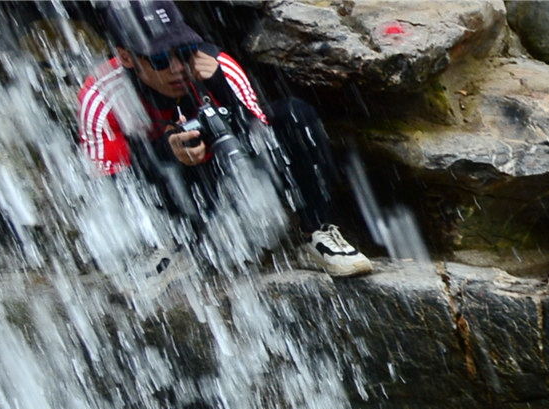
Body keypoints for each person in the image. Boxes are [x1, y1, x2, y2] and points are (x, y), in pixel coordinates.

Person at [77, 0, 373, 277]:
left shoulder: (218, 66)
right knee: (144, 158)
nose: (178, 68)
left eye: (184, 50)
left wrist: (220, 88)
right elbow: (111, 189)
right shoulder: (100, 96)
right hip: (165, 195)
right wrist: (166, 152)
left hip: (231, 181)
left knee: (295, 114)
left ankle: (316, 234)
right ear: (126, 57)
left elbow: (261, 138)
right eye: (159, 59)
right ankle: (169, 246)